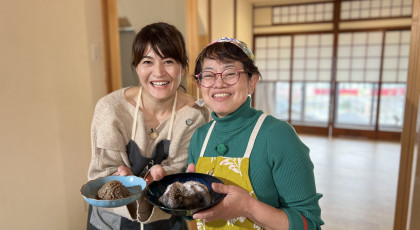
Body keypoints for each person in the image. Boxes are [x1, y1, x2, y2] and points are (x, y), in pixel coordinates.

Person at [187, 37, 324, 230]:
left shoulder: (278, 135)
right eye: (208, 75)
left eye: (230, 73)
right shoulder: (200, 137)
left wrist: (249, 207)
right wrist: (186, 199)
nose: (218, 83)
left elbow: (309, 224)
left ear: (252, 81)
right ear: (200, 84)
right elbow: (193, 215)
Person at [87, 22, 209, 230]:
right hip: (111, 220)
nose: (158, 72)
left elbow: (183, 172)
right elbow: (101, 174)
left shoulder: (195, 115)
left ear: (184, 67)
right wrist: (123, 182)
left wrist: (160, 175)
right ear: (136, 67)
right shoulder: (111, 109)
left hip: (167, 219)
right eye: (147, 62)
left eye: (168, 61)